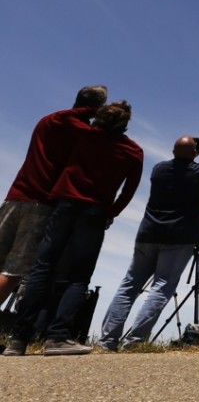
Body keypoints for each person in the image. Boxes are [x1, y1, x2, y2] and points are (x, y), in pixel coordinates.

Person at [6, 101, 143, 356]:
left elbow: (62, 116)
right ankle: (57, 337)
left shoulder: (83, 132)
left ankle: (18, 339)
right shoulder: (133, 151)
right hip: (95, 213)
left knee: (42, 269)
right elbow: (129, 189)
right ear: (124, 125)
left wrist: (94, 108)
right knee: (78, 277)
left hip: (64, 206)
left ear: (99, 119)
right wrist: (112, 212)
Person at [100, 136, 199, 351]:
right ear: (195, 152)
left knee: (129, 286)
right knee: (161, 288)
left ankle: (107, 341)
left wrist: (194, 153)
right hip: (179, 238)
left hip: (148, 233)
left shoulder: (158, 169)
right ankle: (135, 343)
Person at [0, 85, 107, 306]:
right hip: (42, 203)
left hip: (14, 197)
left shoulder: (48, 119)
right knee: (14, 271)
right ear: (97, 107)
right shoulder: (81, 131)